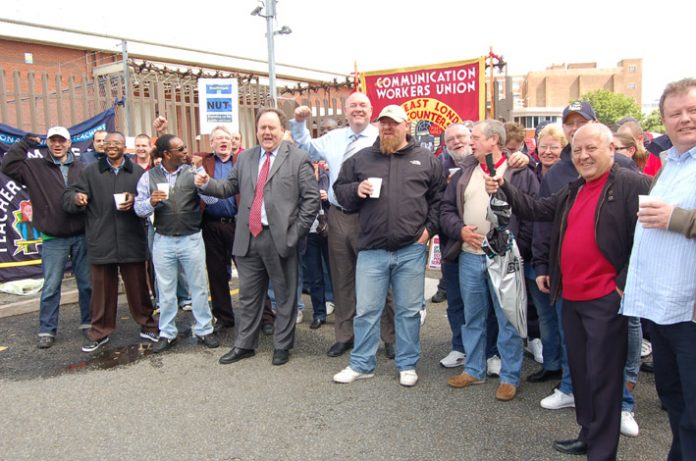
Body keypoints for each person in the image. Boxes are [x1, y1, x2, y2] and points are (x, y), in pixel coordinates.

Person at [486, 123, 650, 459]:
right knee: (582, 372)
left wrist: (623, 282)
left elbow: (648, 238)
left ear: (611, 148)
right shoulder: (575, 188)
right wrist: (504, 185)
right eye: (577, 150)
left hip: (606, 299)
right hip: (572, 297)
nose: (584, 155)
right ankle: (588, 435)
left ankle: (602, 452)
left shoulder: (633, 183)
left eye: (591, 148)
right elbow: (537, 210)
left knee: (604, 379)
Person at [532, 101, 638, 412]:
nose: (575, 128)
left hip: (609, 285)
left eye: (582, 122)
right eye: (570, 123)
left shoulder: (626, 171)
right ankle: (573, 392)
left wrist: (625, 277)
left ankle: (623, 404)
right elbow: (542, 217)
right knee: (574, 345)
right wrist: (542, 264)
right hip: (570, 281)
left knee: (612, 351)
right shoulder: (559, 174)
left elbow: (641, 231)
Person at [332, 105, 445, 387]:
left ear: (406, 126)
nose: (388, 128)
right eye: (383, 123)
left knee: (407, 311)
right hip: (372, 249)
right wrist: (355, 191)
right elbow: (340, 190)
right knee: (367, 310)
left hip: (410, 249)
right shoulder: (362, 159)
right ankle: (362, 364)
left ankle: (407, 364)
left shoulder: (425, 159)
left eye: (393, 123)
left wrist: (428, 231)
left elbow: (440, 199)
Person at [196, 108, 320, 366]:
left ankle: (282, 345)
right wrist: (206, 182)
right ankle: (244, 345)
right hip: (248, 237)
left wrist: (293, 235)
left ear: (282, 130)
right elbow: (228, 187)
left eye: (272, 128)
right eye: (262, 127)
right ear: (256, 130)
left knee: (285, 296)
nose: (266, 132)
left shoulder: (298, 158)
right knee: (249, 296)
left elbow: (310, 202)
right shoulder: (246, 158)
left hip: (281, 239)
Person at [289, 93, 396, 359]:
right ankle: (345, 336)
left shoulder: (381, 136)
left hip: (371, 218)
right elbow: (305, 146)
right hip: (338, 216)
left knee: (380, 280)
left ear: (371, 110)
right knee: (342, 279)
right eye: (353, 106)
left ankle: (391, 337)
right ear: (346, 112)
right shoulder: (334, 138)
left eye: (363, 105)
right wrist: (299, 123)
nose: (358, 110)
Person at [622, 78, 696, 461]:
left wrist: (677, 218)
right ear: (664, 121)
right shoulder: (671, 164)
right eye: (675, 113)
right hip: (664, 308)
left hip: (691, 312)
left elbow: (674, 221)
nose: (684, 119)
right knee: (675, 402)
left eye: (692, 111)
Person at [441, 120, 537, 401]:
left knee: (507, 318)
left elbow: (532, 211)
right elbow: (446, 208)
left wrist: (518, 245)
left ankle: (509, 376)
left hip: (504, 257)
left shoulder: (519, 171)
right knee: (473, 317)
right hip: (470, 256)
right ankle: (473, 369)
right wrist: (459, 230)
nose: (471, 141)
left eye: (476, 137)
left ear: (494, 139)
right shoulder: (466, 172)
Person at [63, 132, 158, 352]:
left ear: (125, 147)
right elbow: (69, 195)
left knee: (138, 288)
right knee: (102, 291)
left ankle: (148, 325)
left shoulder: (137, 172)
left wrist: (135, 200)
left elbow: (148, 200)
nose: (111, 146)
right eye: (108, 143)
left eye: (116, 143)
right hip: (101, 238)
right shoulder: (90, 172)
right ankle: (100, 332)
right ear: (102, 147)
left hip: (131, 238)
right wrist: (77, 199)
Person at [1, 127, 92, 349]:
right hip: (53, 238)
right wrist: (24, 144)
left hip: (82, 235)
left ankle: (88, 323)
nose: (57, 144)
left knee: (87, 284)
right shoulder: (34, 167)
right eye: (53, 140)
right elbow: (8, 166)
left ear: (70, 144)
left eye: (62, 140)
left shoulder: (83, 168)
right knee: (51, 286)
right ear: (48, 143)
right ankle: (47, 329)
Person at [134, 134, 219, 353]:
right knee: (165, 289)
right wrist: (150, 202)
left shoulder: (193, 172)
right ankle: (167, 333)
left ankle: (205, 329)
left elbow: (212, 200)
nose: (185, 151)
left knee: (199, 287)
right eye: (180, 149)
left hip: (191, 238)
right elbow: (138, 209)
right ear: (166, 154)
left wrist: (205, 181)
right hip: (163, 239)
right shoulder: (148, 177)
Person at [525, 124, 566, 384]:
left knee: (565, 318)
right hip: (532, 256)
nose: (548, 151)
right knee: (545, 316)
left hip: (560, 259)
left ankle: (570, 372)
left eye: (554, 146)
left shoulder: (572, 176)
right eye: (543, 146)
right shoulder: (529, 172)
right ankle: (551, 363)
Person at [194, 126, 239, 333]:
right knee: (216, 274)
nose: (223, 141)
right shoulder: (203, 162)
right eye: (218, 138)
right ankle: (223, 317)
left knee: (251, 271)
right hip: (211, 225)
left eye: (226, 138)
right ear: (211, 144)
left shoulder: (242, 161)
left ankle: (264, 316)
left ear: (233, 142)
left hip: (238, 224)